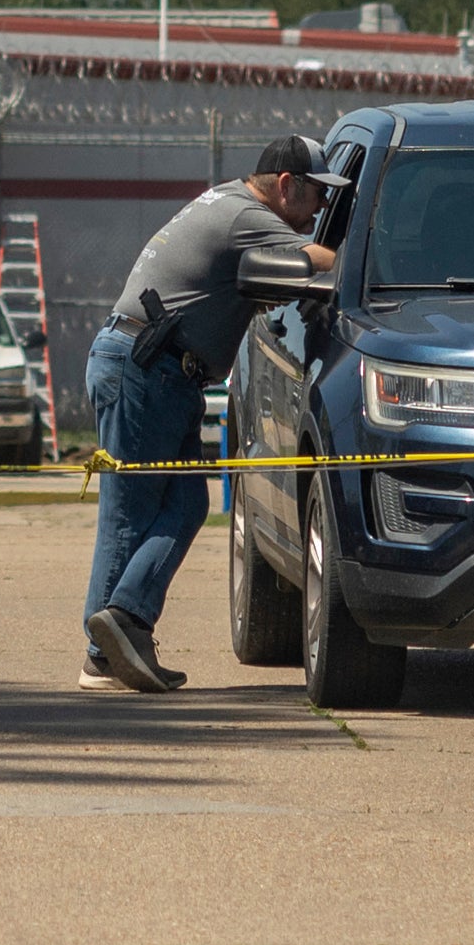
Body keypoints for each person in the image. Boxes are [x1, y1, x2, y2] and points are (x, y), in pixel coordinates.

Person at [82, 133, 342, 694]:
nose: (321, 207)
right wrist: (380, 258)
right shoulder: (246, 215)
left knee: (185, 504)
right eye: (318, 193)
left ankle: (124, 626)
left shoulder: (229, 203)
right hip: (146, 368)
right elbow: (326, 261)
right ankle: (104, 654)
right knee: (130, 512)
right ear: (286, 185)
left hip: (159, 370)